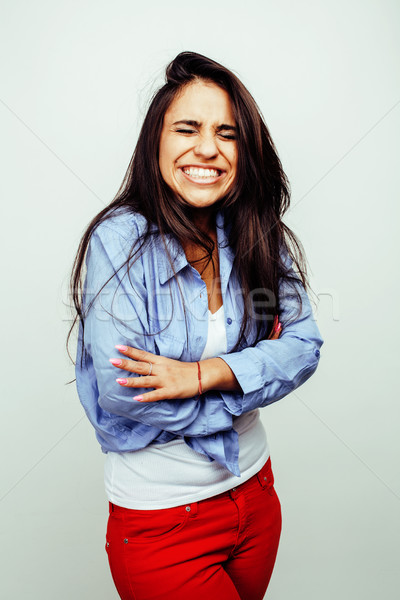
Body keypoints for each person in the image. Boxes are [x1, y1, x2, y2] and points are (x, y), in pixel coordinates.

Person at [68, 51, 323, 600]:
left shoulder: (257, 230)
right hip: (163, 519)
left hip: (255, 495)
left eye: (226, 133)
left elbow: (304, 347)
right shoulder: (119, 241)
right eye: (188, 128)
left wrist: (203, 374)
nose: (207, 148)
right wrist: (250, 379)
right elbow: (120, 394)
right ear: (155, 141)